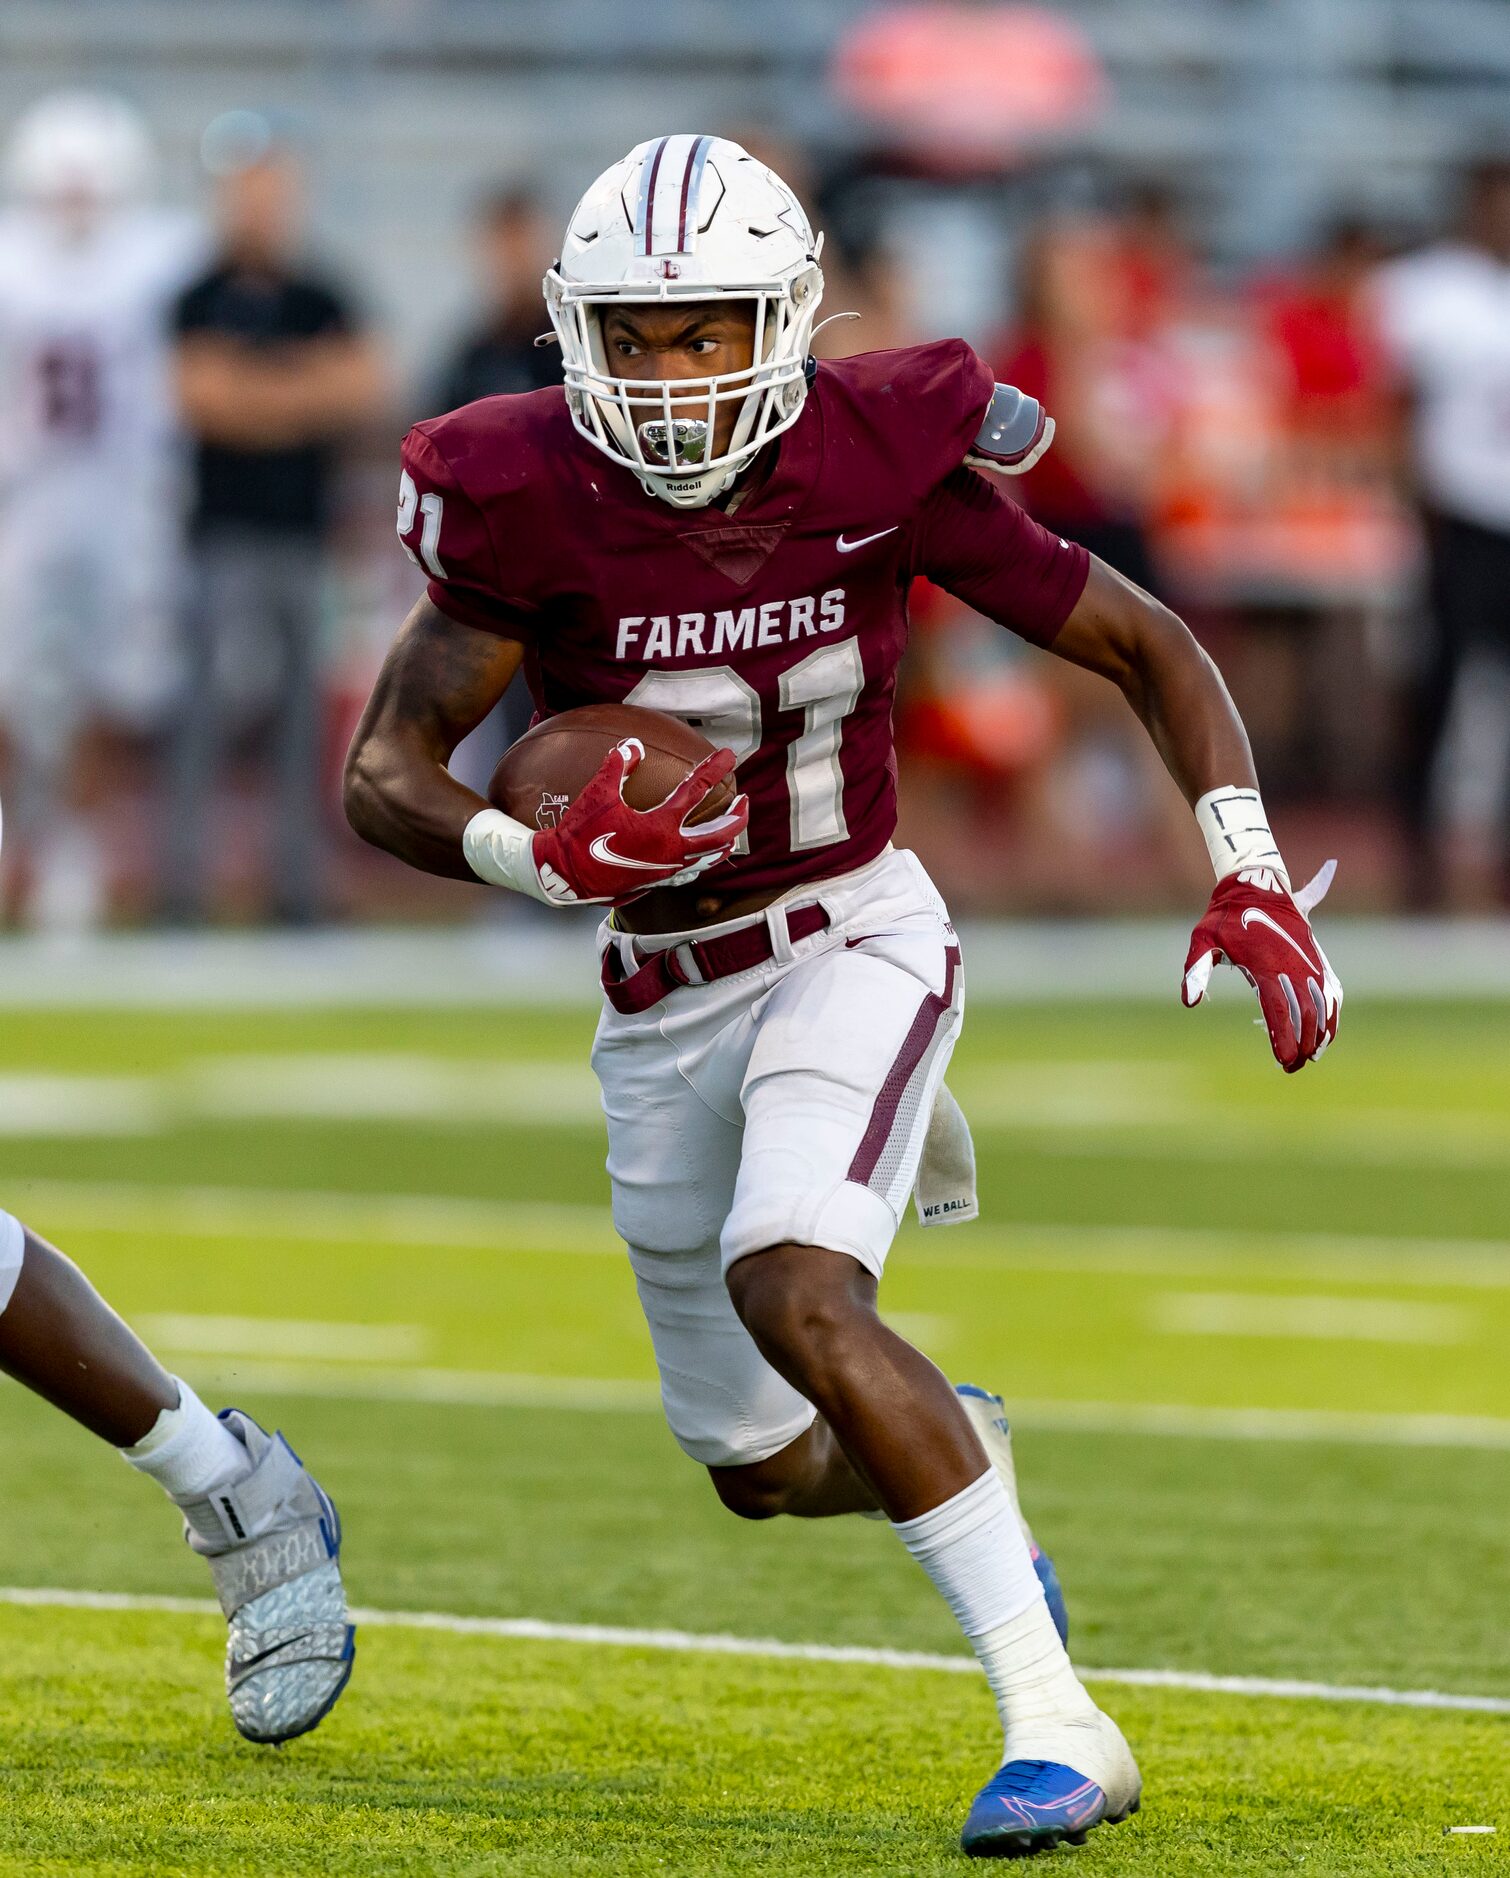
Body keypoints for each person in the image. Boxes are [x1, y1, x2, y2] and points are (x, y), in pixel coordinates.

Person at [344, 136, 1342, 1860]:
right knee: (754, 1456)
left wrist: (1243, 859)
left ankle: (1060, 1721)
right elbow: (387, 768)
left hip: (851, 929)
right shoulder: (520, 490)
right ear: (574, 333)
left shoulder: (875, 452)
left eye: (713, 329)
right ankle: (958, 1444)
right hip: (658, 993)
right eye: (639, 338)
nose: (674, 378)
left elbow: (1147, 644)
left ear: (790, 319)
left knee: (794, 1274)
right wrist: (526, 855)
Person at [164, 126, 387, 925]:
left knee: (302, 716)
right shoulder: (196, 292)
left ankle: (296, 887)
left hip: (302, 533)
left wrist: (252, 394)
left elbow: (361, 389)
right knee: (201, 709)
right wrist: (300, 391)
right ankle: (181, 887)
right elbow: (199, 398)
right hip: (220, 531)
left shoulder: (322, 293)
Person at [0, 92, 202, 929]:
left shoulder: (166, 254)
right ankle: (23, 832)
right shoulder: (11, 256)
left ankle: (78, 845)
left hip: (131, 493)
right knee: (11, 675)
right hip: (28, 492)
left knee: (117, 680)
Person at [1374, 156, 1510, 906]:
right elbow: (1398, 409)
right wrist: (1412, 508)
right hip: (1457, 516)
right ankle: (1418, 858)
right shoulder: (1431, 293)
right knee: (1438, 689)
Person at [430, 187, 562, 415]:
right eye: (503, 246)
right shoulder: (471, 363)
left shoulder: (576, 348)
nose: (513, 261)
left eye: (521, 243)